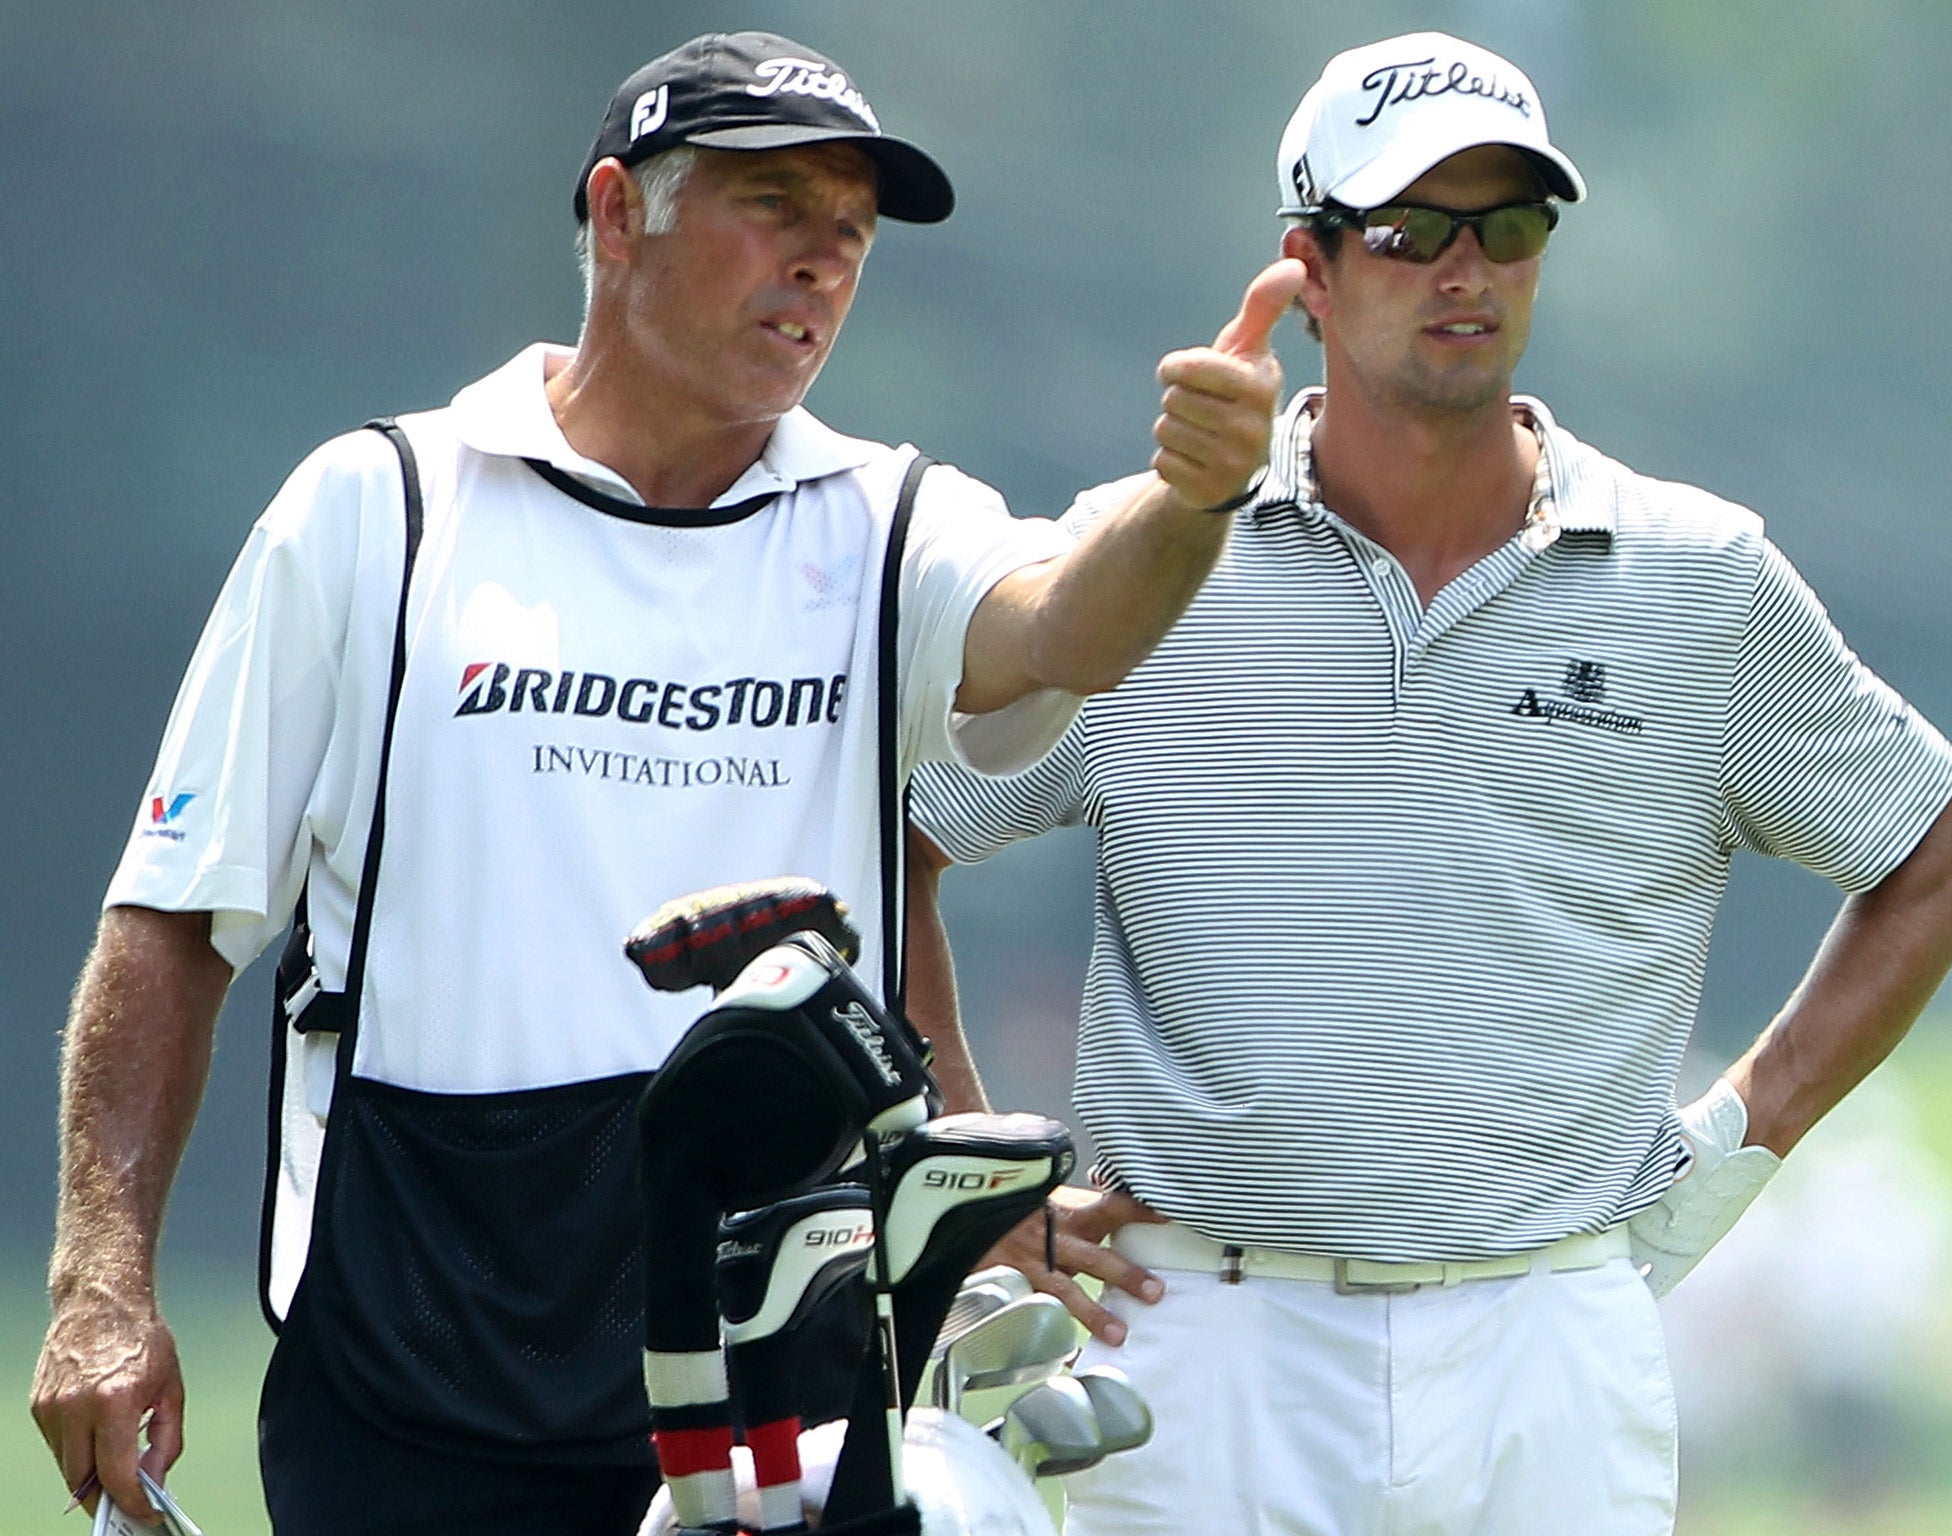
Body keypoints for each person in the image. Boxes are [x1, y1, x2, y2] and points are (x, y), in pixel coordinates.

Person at [30, 30, 1297, 1535]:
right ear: (621, 214)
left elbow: (1067, 621)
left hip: (789, 1381)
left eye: (850, 235)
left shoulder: (887, 522)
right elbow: (176, 919)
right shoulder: (382, 508)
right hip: (411, 1380)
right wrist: (99, 1281)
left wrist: (1194, 501)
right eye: (778, 210)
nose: (821, 265)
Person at [905, 30, 1952, 1536]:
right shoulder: (1149, 557)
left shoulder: (1697, 577)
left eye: (1511, 226)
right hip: (1204, 1341)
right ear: (1311, 265)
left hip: (1553, 1344)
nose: (1466, 271)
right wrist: (962, 1165)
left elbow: (1935, 860)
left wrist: (1729, 1153)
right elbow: (895, 833)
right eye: (1410, 231)